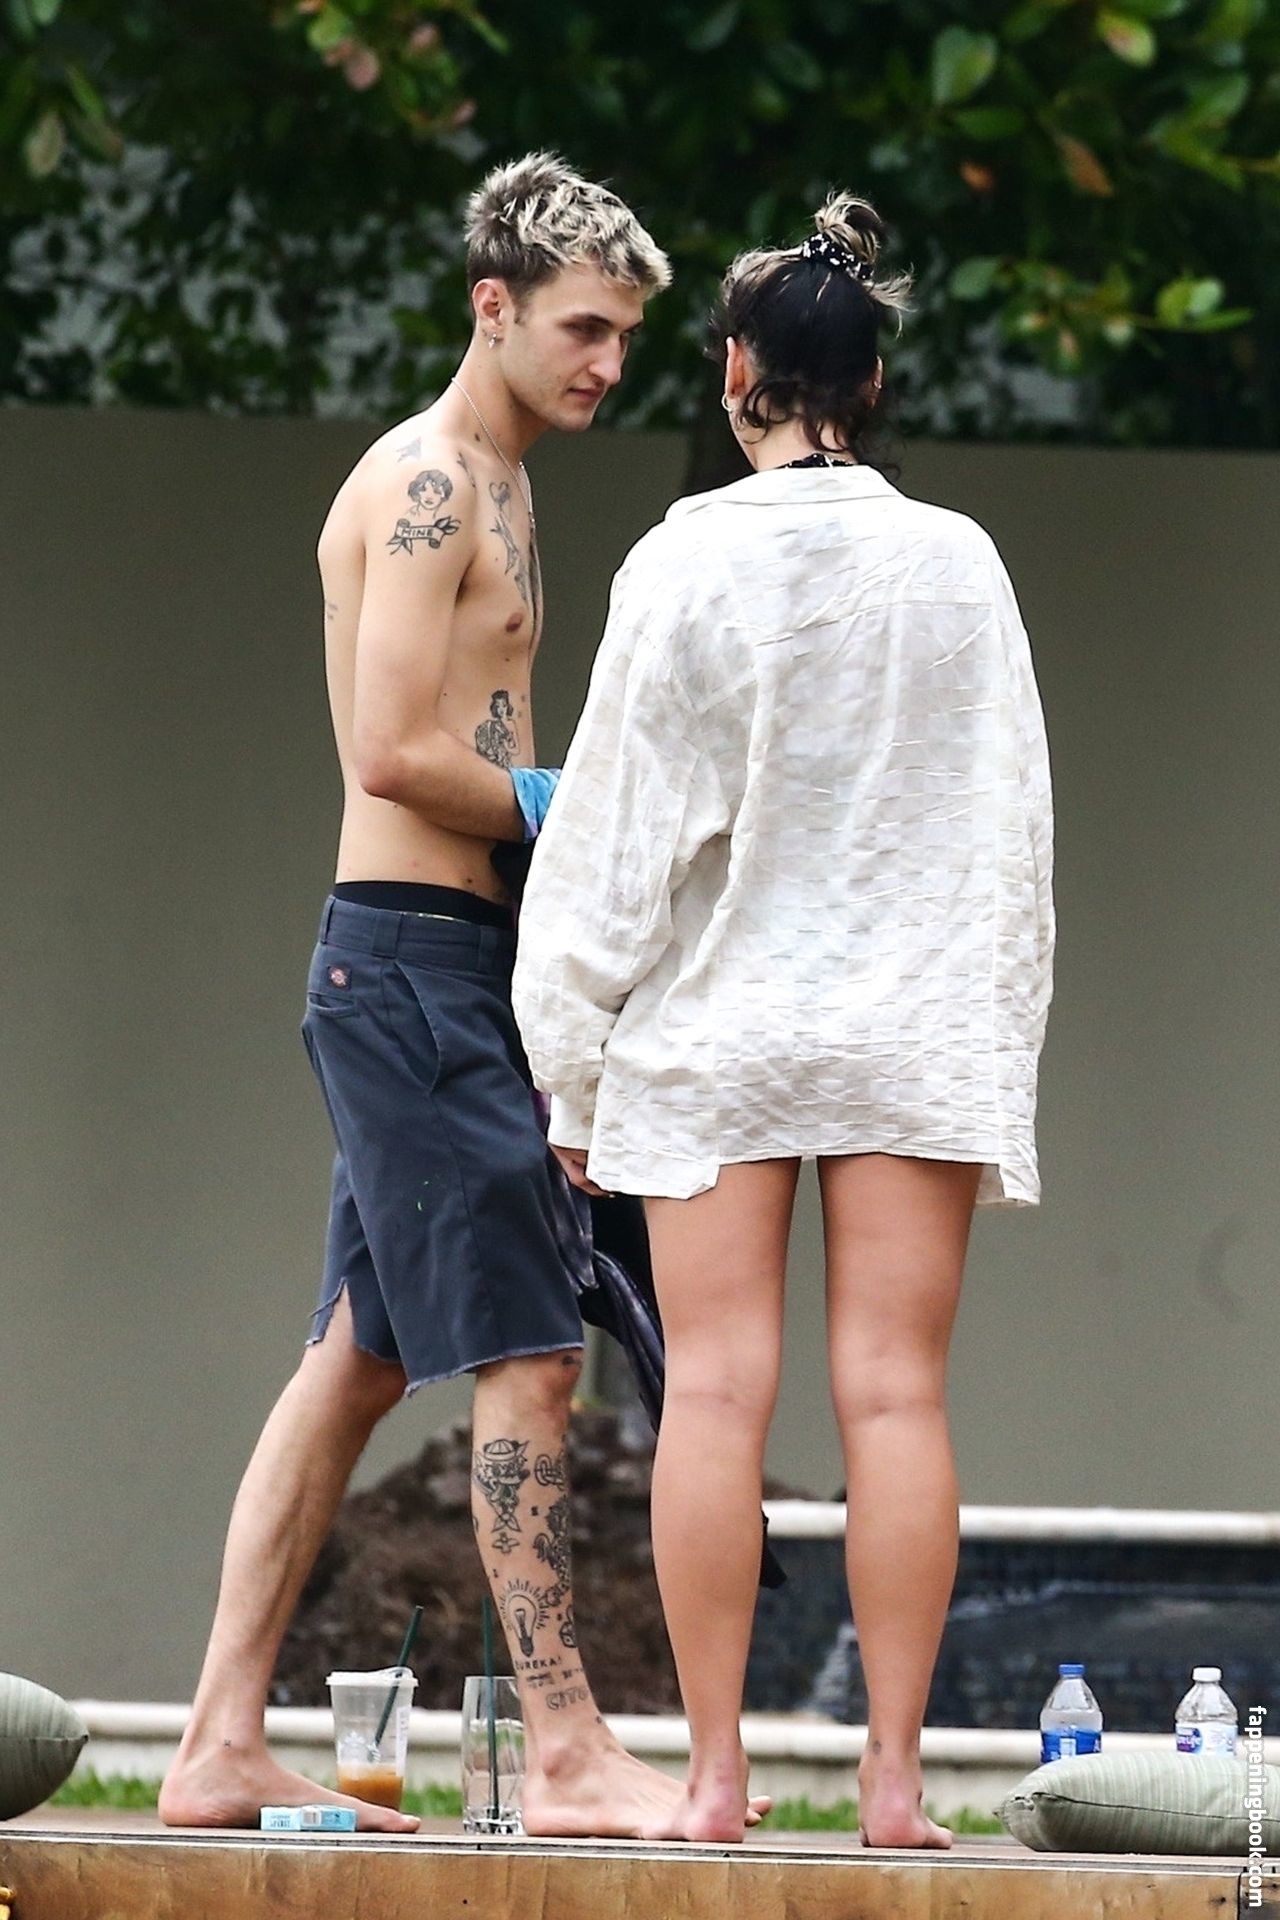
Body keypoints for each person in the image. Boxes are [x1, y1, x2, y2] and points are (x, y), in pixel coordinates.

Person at [159, 152, 744, 1841]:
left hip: (460, 967)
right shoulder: (425, 481)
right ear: (493, 306)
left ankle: (213, 1743)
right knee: (533, 1354)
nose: (607, 364)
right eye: (583, 330)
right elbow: (389, 750)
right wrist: (575, 803)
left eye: (626, 337)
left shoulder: (506, 481)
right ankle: (563, 1750)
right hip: (409, 966)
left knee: (354, 1363)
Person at [512, 192, 1055, 1846]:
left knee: (716, 1396)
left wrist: (570, 1065)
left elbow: (613, 839)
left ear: (737, 373)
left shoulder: (683, 561)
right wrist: (995, 1053)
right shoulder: (960, 564)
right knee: (895, 1395)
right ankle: (892, 1783)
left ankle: (717, 1779)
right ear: (872, 383)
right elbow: (1010, 835)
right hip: (906, 1032)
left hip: (716, 1035)